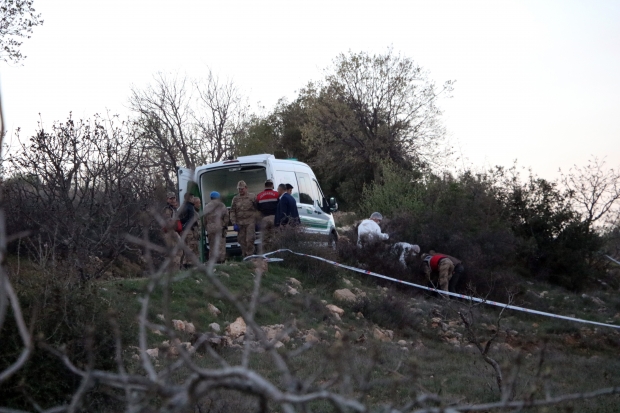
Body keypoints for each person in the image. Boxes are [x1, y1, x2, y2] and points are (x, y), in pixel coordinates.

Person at [230, 180, 257, 257]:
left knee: (250, 240)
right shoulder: (235, 199)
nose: (240, 190)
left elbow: (257, 209)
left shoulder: (252, 197)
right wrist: (234, 223)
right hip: (240, 223)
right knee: (241, 240)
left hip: (250, 222)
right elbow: (232, 211)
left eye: (242, 189)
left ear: (246, 188)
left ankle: (250, 255)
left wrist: (258, 221)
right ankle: (244, 255)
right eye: (239, 189)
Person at [204, 191, 228, 263]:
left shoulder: (207, 206)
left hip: (210, 229)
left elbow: (204, 219)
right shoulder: (221, 205)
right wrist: (224, 225)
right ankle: (221, 261)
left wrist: (207, 227)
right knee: (221, 245)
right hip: (219, 228)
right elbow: (226, 217)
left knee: (212, 245)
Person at [256, 179, 279, 251]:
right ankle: (275, 252)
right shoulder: (277, 194)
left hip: (264, 219)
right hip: (274, 218)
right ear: (272, 185)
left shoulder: (259, 196)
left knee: (265, 238)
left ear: (265, 186)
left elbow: (257, 208)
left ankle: (266, 254)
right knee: (275, 237)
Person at [162, 191, 183, 270]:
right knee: (177, 251)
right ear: (167, 200)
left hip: (174, 232)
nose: (173, 200)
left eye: (174, 198)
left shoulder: (173, 209)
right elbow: (168, 222)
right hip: (171, 233)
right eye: (171, 199)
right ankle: (174, 271)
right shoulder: (167, 210)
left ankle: (174, 269)